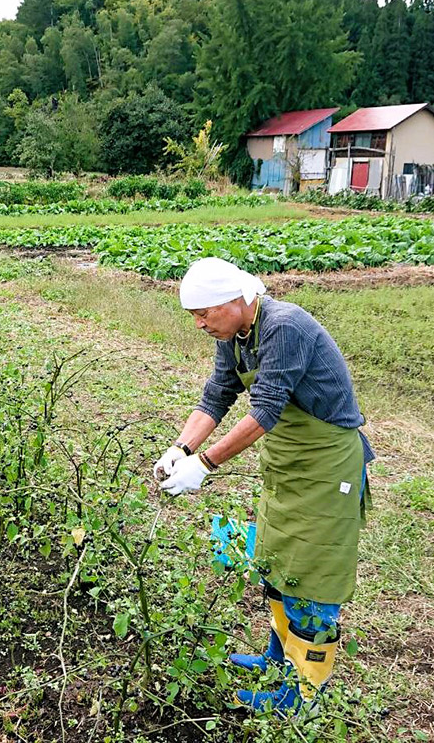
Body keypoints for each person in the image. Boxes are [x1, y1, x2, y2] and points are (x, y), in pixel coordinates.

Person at [155, 257, 373, 712]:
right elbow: (217, 395)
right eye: (193, 316)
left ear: (236, 300)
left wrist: (206, 464)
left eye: (204, 313)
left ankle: (303, 696)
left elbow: (267, 409)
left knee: (313, 576)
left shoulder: (285, 326)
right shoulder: (235, 334)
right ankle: (277, 660)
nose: (198, 324)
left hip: (326, 465)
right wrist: (180, 448)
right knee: (277, 564)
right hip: (289, 464)